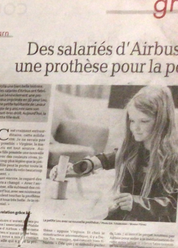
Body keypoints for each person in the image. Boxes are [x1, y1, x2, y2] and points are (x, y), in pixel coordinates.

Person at [56, 86, 178, 222]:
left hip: (154, 225)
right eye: (132, 120)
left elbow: (174, 204)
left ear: (161, 121)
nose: (135, 128)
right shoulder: (133, 148)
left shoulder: (173, 157)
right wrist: (84, 165)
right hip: (125, 216)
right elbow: (112, 157)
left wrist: (136, 203)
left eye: (144, 121)